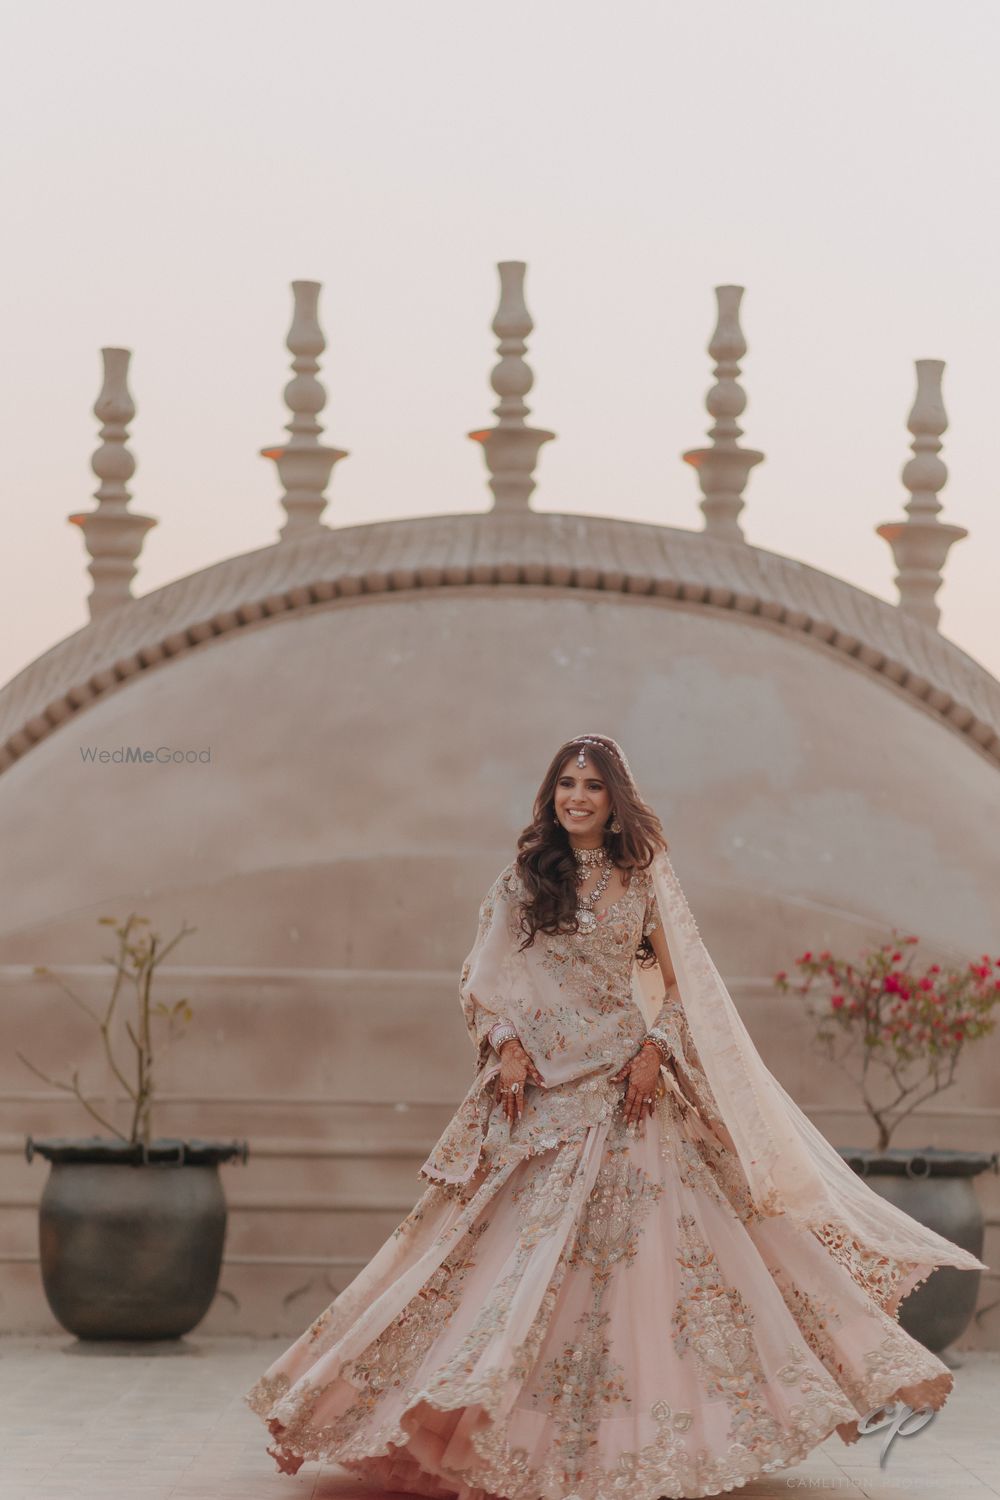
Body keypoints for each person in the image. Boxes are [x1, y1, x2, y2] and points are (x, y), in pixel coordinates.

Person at [245, 733, 988, 1500]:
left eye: (593, 786)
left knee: (649, 1267)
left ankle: (643, 1441)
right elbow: (483, 978)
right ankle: (479, 1426)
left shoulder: (642, 883)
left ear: (615, 799)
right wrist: (502, 1043)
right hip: (541, 1096)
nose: (577, 796)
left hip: (629, 1091)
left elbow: (680, 989)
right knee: (505, 1265)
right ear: (550, 795)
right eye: (566, 783)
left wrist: (654, 1050)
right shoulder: (521, 883)